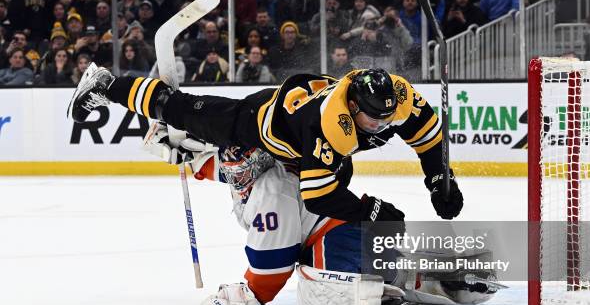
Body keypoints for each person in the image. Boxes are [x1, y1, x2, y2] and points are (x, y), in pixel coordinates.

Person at [140, 128, 495, 305]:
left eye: (238, 163)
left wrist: (244, 296)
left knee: (318, 283)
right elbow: (222, 166)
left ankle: (385, 299)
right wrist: (178, 148)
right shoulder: (254, 165)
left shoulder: (271, 194)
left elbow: (272, 268)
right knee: (376, 267)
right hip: (354, 231)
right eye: (229, 161)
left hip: (343, 241)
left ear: (256, 162)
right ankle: (451, 273)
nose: (232, 169)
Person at [68, 65, 464, 225]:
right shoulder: (330, 126)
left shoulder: (396, 98)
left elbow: (428, 137)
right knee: (180, 108)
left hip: (297, 125)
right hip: (259, 122)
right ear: (354, 106)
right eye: (374, 119)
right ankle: (107, 84)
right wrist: (370, 211)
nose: (384, 125)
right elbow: (318, 197)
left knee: (341, 171)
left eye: (388, 117)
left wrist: (438, 179)